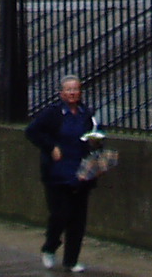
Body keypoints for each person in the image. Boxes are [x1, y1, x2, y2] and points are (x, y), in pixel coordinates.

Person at [23, 75, 101, 272]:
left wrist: (95, 143)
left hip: (81, 172)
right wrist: (51, 147)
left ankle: (71, 260)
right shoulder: (53, 113)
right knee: (60, 214)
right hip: (57, 173)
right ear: (61, 93)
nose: (73, 93)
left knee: (78, 219)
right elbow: (32, 131)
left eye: (76, 89)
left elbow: (95, 136)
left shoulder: (87, 114)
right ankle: (50, 247)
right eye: (68, 89)